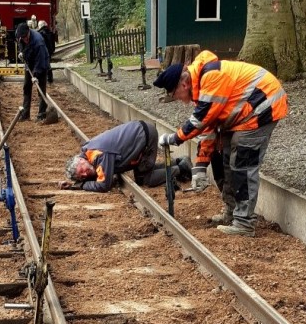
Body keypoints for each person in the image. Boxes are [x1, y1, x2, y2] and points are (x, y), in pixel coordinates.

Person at [154, 51, 288, 236]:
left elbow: (200, 120)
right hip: (242, 114)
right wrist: (200, 167)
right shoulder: (200, 89)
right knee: (223, 156)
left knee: (242, 163)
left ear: (184, 84)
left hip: (261, 107)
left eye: (175, 94)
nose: (177, 99)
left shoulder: (211, 78)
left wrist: (174, 138)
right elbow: (208, 130)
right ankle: (232, 212)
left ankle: (244, 223)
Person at [58, 120, 193, 192]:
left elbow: (104, 185)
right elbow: (96, 174)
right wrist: (75, 183)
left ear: (81, 159)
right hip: (140, 131)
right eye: (82, 176)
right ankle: (177, 162)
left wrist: (81, 186)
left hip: (145, 137)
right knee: (143, 171)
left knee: (145, 179)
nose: (86, 173)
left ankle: (182, 168)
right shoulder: (88, 150)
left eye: (82, 169)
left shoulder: (99, 156)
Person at [15, 23, 50, 121]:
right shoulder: (20, 36)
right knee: (27, 86)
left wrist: (35, 75)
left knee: (41, 89)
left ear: (29, 33)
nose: (24, 39)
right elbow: (20, 43)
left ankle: (42, 114)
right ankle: (25, 114)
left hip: (41, 63)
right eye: (22, 38)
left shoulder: (38, 42)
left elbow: (40, 61)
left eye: (26, 37)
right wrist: (21, 52)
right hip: (29, 62)